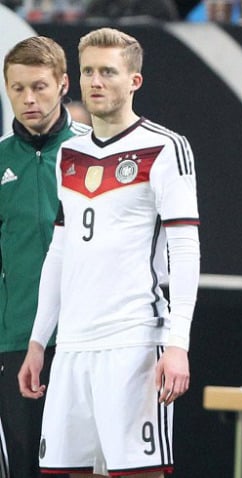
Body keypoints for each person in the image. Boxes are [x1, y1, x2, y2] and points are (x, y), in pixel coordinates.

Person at [17, 27, 200, 477]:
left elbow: (185, 248)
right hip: (74, 346)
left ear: (134, 81)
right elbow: (60, 252)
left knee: (137, 473)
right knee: (62, 470)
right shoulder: (70, 154)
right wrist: (39, 341)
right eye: (88, 72)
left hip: (133, 340)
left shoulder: (165, 148)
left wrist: (178, 344)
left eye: (108, 72)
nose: (95, 82)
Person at [1, 35, 90, 478]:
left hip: (84, 339)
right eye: (17, 89)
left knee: (84, 466)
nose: (28, 98)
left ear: (62, 84)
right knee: (24, 467)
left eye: (38, 86)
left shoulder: (94, 153)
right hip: (16, 340)